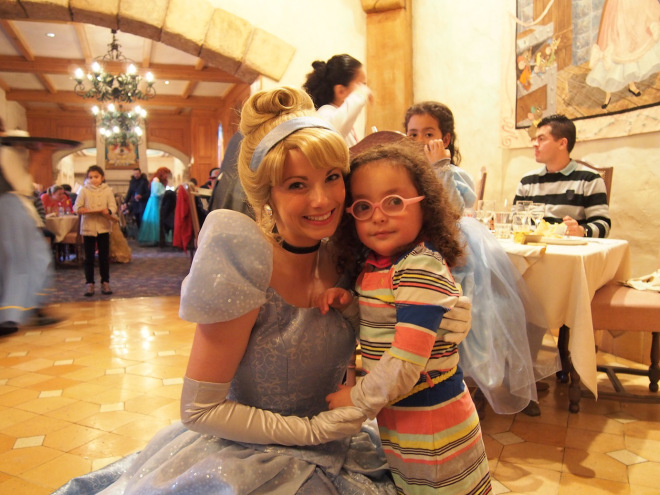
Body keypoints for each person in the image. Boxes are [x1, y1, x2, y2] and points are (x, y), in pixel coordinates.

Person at [52, 86, 472, 495]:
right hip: (249, 457)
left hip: (341, 443)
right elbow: (199, 409)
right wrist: (309, 431)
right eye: (296, 185)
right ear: (266, 194)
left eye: (332, 178)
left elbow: (390, 326)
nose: (322, 199)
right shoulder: (243, 261)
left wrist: (446, 320)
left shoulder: (349, 255)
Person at [317, 141, 491, 494]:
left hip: (432, 420)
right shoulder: (381, 265)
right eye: (363, 207)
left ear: (424, 204)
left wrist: (357, 398)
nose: (378, 216)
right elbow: (381, 325)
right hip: (403, 413)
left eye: (394, 202)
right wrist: (350, 304)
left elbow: (407, 360)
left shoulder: (419, 267)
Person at [404, 101, 559, 416]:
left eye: (428, 133)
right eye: (413, 134)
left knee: (489, 308)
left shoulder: (453, 173)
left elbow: (453, 211)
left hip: (454, 250)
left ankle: (479, 380)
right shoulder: (402, 172)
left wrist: (440, 168)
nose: (420, 141)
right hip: (415, 250)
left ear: (445, 140)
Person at [514, 114, 611, 238]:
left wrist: (582, 230)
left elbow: (603, 225)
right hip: (532, 250)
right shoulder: (527, 181)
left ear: (562, 143)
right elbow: (516, 222)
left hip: (569, 253)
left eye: (541, 139)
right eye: (535, 139)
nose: (535, 144)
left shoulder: (589, 179)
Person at [0, 126, 53, 336]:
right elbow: (22, 184)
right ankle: (11, 315)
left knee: (14, 261)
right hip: (11, 208)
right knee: (28, 260)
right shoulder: (8, 152)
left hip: (9, 207)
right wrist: (39, 159)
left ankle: (23, 312)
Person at [586, 0, 660, 109]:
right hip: (617, 7)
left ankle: (631, 84)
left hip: (632, 7)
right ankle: (608, 92)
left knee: (631, 43)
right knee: (613, 43)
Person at [303, 53, 372, 147]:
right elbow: (334, 134)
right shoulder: (325, 113)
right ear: (341, 91)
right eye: (361, 85)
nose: (365, 89)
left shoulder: (338, 116)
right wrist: (359, 95)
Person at [74, 165, 117, 297]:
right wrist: (81, 209)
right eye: (90, 177)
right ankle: (89, 283)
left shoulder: (107, 190)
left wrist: (108, 211)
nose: (93, 180)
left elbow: (113, 206)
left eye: (96, 177)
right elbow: (76, 206)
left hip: (103, 226)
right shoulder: (84, 190)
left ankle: (105, 282)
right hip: (88, 227)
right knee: (89, 258)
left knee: (104, 257)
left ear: (102, 177)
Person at [138, 166, 171, 245]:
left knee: (158, 219)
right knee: (155, 219)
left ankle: (160, 238)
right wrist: (166, 193)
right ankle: (155, 238)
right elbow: (156, 193)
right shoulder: (156, 180)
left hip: (158, 201)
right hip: (154, 202)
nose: (167, 176)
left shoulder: (161, 181)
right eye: (166, 174)